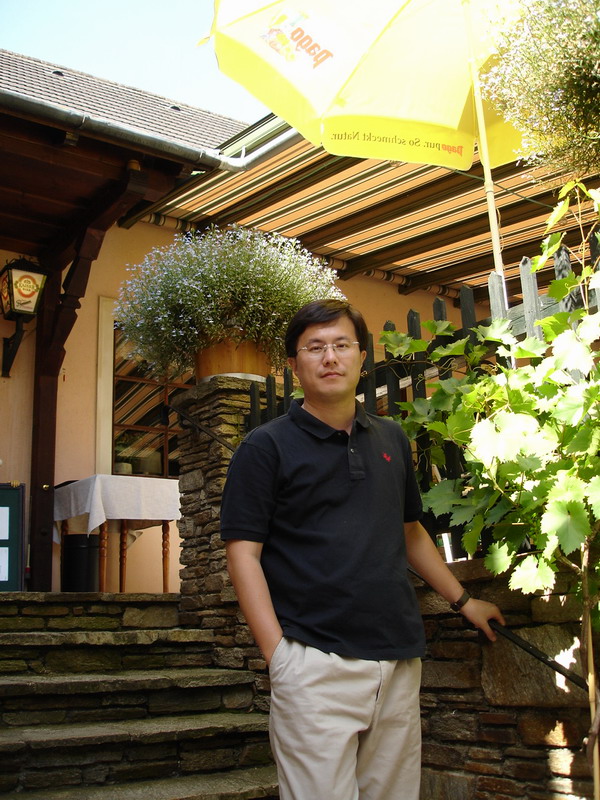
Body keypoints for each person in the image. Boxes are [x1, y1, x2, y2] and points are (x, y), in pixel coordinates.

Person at [220, 299, 504, 800]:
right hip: (313, 662)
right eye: (315, 347)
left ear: (362, 357)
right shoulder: (265, 447)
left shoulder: (391, 437)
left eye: (341, 345)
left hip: (398, 660)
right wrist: (278, 657)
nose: (330, 357)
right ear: (294, 364)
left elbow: (410, 531)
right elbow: (244, 553)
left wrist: (464, 601)